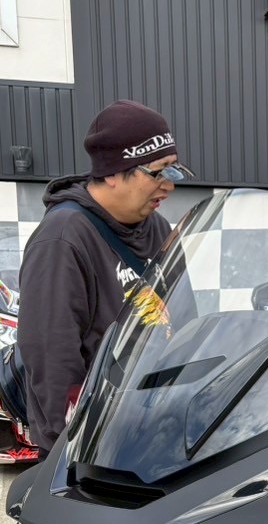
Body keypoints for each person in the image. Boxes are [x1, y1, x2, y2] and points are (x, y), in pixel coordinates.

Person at [14, 100, 193, 452]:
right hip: (92, 442)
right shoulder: (62, 238)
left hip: (151, 427)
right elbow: (51, 356)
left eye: (174, 170)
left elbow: (185, 316)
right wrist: (72, 446)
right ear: (112, 172)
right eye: (158, 172)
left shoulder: (158, 228)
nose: (169, 186)